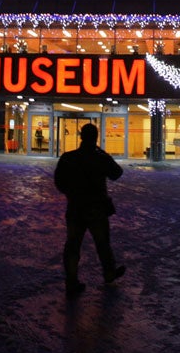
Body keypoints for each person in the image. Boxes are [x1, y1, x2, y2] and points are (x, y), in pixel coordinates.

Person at [53, 122, 126, 295]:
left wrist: (71, 194)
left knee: (72, 245)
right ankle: (109, 273)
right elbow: (117, 173)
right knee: (102, 244)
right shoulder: (100, 157)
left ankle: (71, 281)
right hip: (97, 209)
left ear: (81, 137)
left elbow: (59, 181)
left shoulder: (69, 157)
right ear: (96, 138)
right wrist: (104, 154)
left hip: (76, 208)